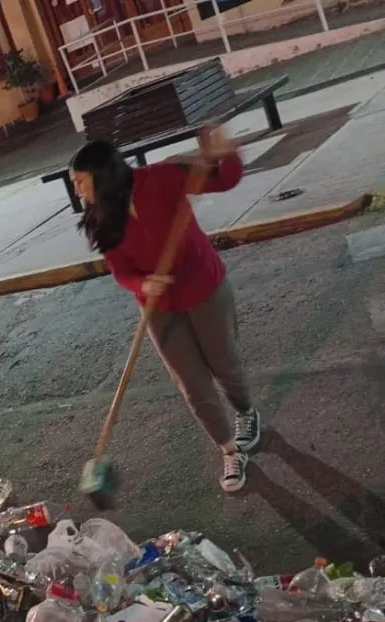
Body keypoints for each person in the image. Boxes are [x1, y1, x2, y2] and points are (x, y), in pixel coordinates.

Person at [69, 127, 261, 493]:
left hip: (204, 286)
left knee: (224, 364)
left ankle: (245, 410)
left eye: (81, 181)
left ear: (102, 175)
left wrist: (227, 153)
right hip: (159, 306)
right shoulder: (102, 217)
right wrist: (143, 284)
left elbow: (224, 180)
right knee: (191, 383)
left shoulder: (160, 179)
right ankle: (229, 449)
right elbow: (121, 271)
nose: (78, 190)